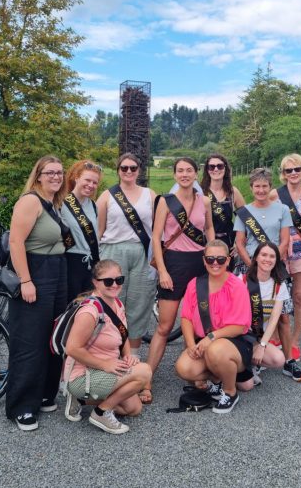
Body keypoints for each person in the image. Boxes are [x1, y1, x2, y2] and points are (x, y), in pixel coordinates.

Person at [6, 155, 69, 431]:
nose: (56, 176)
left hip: (57, 270)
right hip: (36, 271)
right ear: (39, 175)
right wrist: (25, 280)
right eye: (50, 172)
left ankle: (44, 394)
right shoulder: (30, 201)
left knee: (53, 337)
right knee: (30, 341)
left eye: (60, 172)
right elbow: (15, 241)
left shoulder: (53, 203)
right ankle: (22, 406)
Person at [146, 157, 214, 401]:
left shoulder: (204, 201)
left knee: (200, 322)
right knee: (164, 326)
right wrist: (162, 271)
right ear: (174, 175)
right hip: (174, 264)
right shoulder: (165, 201)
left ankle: (198, 374)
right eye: (180, 171)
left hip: (199, 262)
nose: (184, 174)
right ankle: (146, 378)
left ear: (196, 174)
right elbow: (156, 238)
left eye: (189, 170)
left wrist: (213, 254)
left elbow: (208, 231)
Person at [234, 167, 301, 382]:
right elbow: (239, 242)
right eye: (257, 186)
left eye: (265, 186)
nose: (261, 190)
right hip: (249, 266)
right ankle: (252, 352)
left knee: (283, 316)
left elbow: (285, 240)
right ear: (251, 188)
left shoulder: (282, 209)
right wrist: (253, 266)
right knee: (249, 311)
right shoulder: (244, 211)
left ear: (270, 187)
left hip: (275, 266)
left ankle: (288, 361)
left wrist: (272, 264)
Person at [63, 260, 152, 434]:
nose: (115, 285)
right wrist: (105, 364)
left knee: (133, 408)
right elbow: (72, 349)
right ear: (95, 282)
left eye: (119, 280)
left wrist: (127, 355)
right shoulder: (90, 311)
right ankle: (100, 412)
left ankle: (82, 401)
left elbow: (123, 334)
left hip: (107, 370)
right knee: (144, 372)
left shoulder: (117, 304)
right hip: (83, 375)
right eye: (108, 281)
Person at [174, 239, 252, 414]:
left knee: (216, 351)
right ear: (203, 260)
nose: (215, 263)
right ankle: (217, 380)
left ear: (228, 260)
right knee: (184, 368)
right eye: (210, 259)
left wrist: (211, 337)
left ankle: (230, 392)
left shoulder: (236, 286)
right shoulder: (194, 284)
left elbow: (240, 327)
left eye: (220, 259)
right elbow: (186, 317)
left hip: (233, 343)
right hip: (205, 342)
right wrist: (190, 344)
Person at [97, 153, 157, 363]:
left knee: (140, 302)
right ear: (118, 170)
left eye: (133, 168)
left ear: (139, 170)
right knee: (112, 302)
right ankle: (112, 353)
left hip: (142, 251)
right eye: (124, 168)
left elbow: (158, 229)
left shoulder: (150, 195)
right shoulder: (106, 196)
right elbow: (99, 230)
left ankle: (133, 356)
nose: (129, 171)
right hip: (113, 251)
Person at [269, 154, 301, 361]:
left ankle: (295, 341)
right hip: (280, 251)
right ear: (283, 174)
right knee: (273, 295)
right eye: (288, 170)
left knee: (299, 296)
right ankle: (273, 337)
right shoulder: (274, 195)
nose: (293, 173)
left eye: (297, 169)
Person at [239, 242, 289, 390]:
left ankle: (249, 365)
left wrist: (262, 346)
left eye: (272, 256)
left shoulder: (279, 286)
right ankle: (233, 368)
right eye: (264, 255)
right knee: (246, 386)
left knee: (279, 359)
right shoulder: (241, 280)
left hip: (257, 339)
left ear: (276, 260)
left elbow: (274, 320)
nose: (268, 259)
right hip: (237, 338)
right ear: (255, 258)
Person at [61, 160, 102, 302]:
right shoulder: (62, 203)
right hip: (70, 262)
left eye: (95, 183)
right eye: (87, 180)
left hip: (90, 264)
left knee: (87, 307)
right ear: (76, 177)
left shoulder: (93, 206)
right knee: (69, 306)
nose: (91, 185)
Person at [200, 153, 246, 251]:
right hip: (204, 243)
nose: (216, 169)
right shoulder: (200, 192)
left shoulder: (233, 192)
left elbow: (245, 218)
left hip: (228, 243)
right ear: (207, 170)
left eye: (219, 166)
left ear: (225, 169)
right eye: (212, 167)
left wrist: (240, 242)